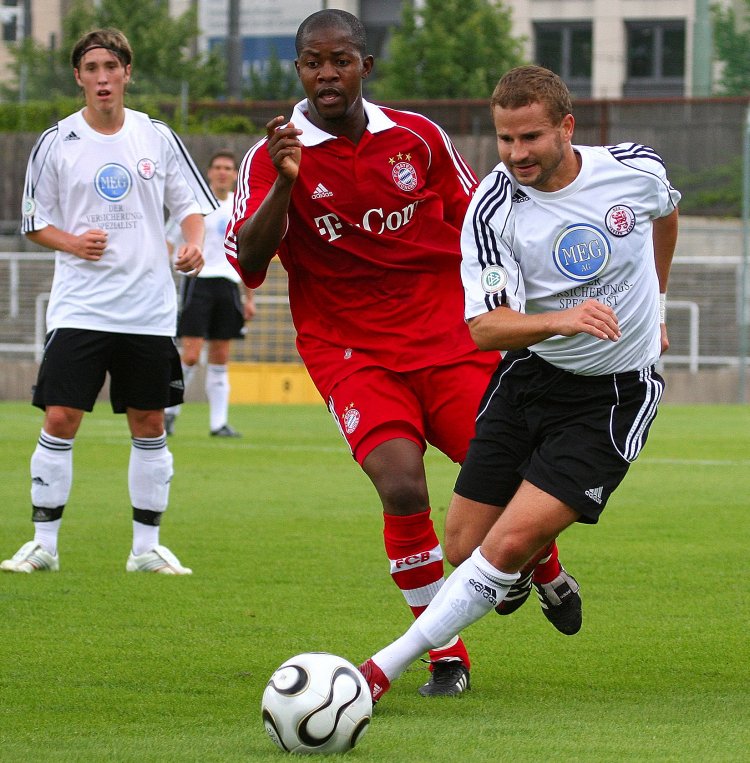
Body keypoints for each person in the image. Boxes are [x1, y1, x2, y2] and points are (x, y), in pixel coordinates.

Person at [225, 13, 578, 697]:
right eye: (312, 63)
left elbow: (481, 216)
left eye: (341, 60)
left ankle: (544, 567)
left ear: (366, 66)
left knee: (503, 470)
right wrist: (285, 182)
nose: (327, 74)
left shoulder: (419, 137)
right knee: (402, 483)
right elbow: (248, 258)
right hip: (350, 349)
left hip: (447, 334)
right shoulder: (272, 154)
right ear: (298, 70)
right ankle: (445, 652)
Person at [358, 65, 680, 702]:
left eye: (530, 138)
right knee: (462, 545)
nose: (516, 154)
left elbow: (666, 215)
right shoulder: (493, 206)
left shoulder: (634, 169)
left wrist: (660, 305)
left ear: (567, 127)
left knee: (502, 545)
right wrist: (565, 320)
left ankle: (374, 673)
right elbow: (484, 328)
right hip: (530, 376)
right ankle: (548, 574)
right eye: (505, 140)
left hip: (613, 396)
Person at [0, 28, 217, 576]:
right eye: (91, 67)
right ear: (78, 76)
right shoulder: (56, 141)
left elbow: (190, 205)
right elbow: (32, 221)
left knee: (148, 422)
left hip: (147, 309)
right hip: (81, 308)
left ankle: (146, 548)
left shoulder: (156, 136)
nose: (102, 76)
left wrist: (191, 242)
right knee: (60, 415)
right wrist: (72, 242)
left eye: (111, 66)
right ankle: (43, 543)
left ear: (126, 73)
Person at [164, 150, 256, 438]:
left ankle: (219, 424)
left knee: (220, 356)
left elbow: (247, 252)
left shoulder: (240, 207)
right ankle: (168, 411)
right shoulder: (194, 206)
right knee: (190, 355)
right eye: (217, 167)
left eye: (228, 167)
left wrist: (249, 298)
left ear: (234, 174)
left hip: (228, 285)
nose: (222, 172)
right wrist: (170, 270)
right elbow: (168, 242)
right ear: (208, 172)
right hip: (197, 282)